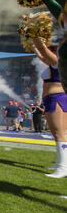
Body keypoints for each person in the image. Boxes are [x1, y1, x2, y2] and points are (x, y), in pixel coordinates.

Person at [32, 36, 67, 178]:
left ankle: (63, 167)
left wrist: (36, 36)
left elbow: (45, 53)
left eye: (54, 48)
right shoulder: (54, 63)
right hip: (53, 98)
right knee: (58, 133)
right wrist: (33, 45)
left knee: (60, 133)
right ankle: (60, 163)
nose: (51, 50)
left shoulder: (59, 61)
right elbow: (42, 56)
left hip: (56, 98)